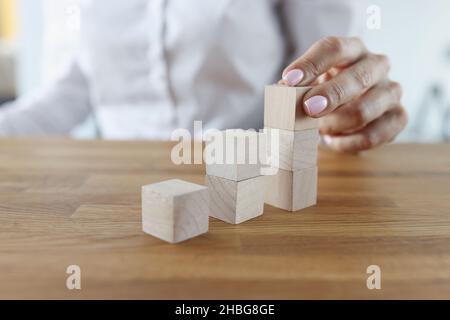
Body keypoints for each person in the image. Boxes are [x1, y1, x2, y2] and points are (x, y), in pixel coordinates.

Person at [0, 0, 407, 153]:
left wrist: (345, 103)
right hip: (118, 183)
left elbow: (323, 71)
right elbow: (69, 92)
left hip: (255, 168)